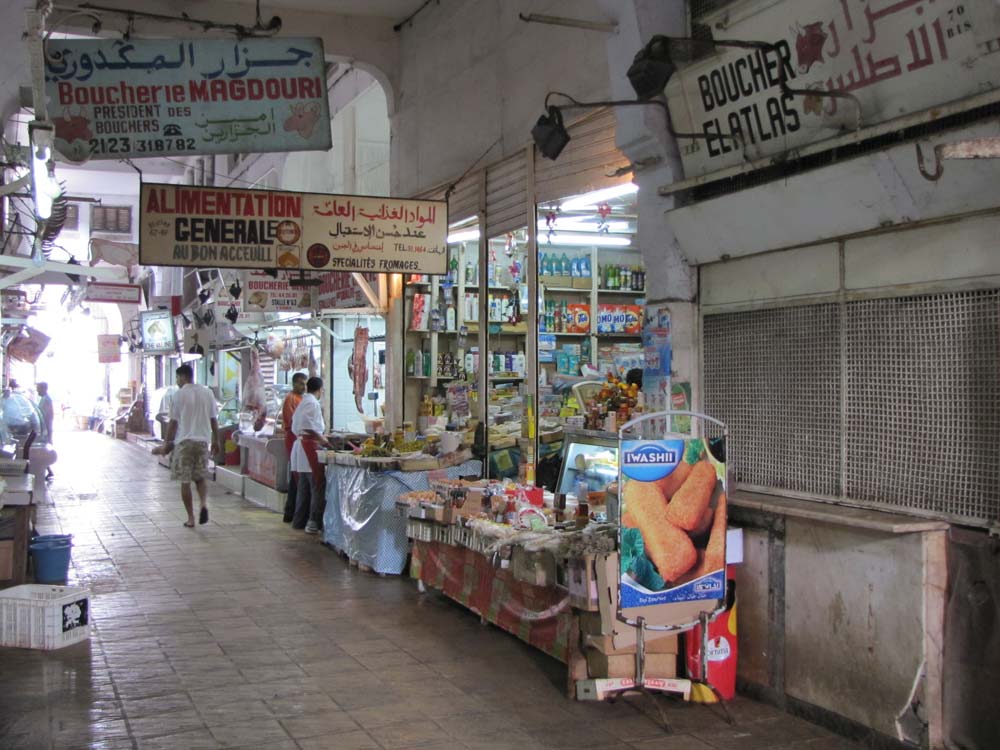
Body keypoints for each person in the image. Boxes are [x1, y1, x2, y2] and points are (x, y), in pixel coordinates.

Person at [162, 364, 220, 528]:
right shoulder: (207, 393)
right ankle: (203, 504)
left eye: (178, 378)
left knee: (185, 481)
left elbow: (173, 423)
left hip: (184, 442)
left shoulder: (178, 395)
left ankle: (191, 518)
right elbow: (213, 419)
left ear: (183, 377)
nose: (177, 382)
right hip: (203, 441)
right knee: (200, 478)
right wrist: (217, 440)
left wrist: (166, 444)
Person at [290, 376, 331, 533]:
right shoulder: (312, 403)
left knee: (304, 487)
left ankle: (299, 521)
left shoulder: (303, 402)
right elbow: (308, 428)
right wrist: (323, 440)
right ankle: (313, 522)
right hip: (308, 448)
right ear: (319, 390)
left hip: (302, 449)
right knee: (316, 487)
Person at [280, 373, 307, 524]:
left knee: (297, 476)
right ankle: (292, 513)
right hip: (294, 439)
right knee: (297, 476)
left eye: (305, 384)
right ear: (294, 384)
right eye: (301, 384)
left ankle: (291, 513)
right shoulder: (291, 399)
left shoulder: (301, 399)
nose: (304, 387)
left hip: (297, 439)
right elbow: (294, 423)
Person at [35, 383, 54, 480]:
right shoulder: (45, 399)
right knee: (42, 450)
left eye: (38, 388)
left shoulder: (46, 400)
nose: (37, 391)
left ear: (43, 388)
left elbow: (42, 415)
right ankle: (48, 471)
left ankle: (49, 471)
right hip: (45, 429)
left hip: (45, 429)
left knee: (43, 450)